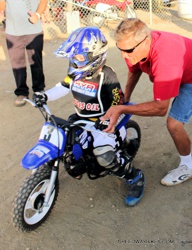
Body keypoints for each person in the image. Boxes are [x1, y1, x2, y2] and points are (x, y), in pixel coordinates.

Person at [33, 27, 145, 207]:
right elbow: (63, 86)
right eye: (73, 57)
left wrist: (107, 121)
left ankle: (134, 176)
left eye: (79, 57)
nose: (74, 60)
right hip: (81, 120)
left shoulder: (107, 76)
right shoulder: (75, 73)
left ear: (94, 55)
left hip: (105, 125)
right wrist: (45, 96)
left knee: (104, 156)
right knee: (65, 142)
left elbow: (118, 102)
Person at [100, 18, 192, 186]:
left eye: (127, 51)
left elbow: (161, 108)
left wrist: (122, 109)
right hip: (182, 66)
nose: (123, 55)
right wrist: (125, 98)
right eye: (120, 49)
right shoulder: (133, 48)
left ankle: (187, 166)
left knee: (174, 124)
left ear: (146, 41)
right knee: (185, 102)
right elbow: (134, 71)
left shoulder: (166, 59)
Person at [0, 0, 47, 107]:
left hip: (34, 31)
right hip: (13, 32)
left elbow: (44, 1)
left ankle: (39, 89)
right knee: (17, 64)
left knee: (36, 62)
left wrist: (38, 15)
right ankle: (21, 92)